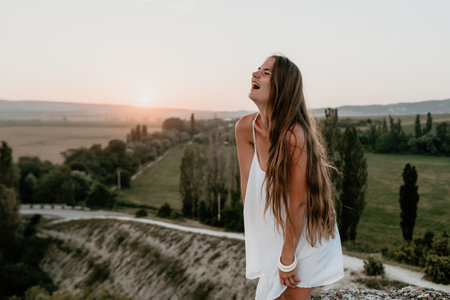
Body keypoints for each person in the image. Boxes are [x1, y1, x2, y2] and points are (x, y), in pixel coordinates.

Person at [235, 55, 344, 300]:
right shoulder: (245, 128)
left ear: (282, 87)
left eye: (265, 73)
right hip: (274, 227)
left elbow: (298, 203)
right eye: (257, 69)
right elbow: (247, 187)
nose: (255, 74)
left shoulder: (294, 136)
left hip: (304, 229)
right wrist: (261, 237)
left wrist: (286, 258)